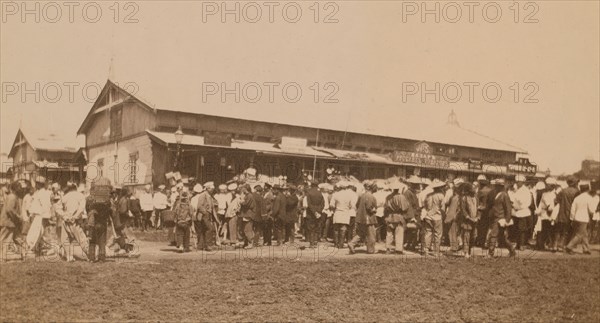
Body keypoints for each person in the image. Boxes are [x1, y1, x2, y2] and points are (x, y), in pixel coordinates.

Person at [59, 182, 89, 261]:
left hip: (67, 220)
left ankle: (69, 256)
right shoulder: (80, 196)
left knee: (65, 239)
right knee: (81, 238)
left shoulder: (66, 196)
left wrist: (64, 215)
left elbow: (58, 207)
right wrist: (75, 216)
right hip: (74, 220)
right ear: (76, 187)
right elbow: (81, 208)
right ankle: (90, 254)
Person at [565, 184, 598, 255]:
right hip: (583, 218)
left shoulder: (577, 198)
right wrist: (594, 213)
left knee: (584, 234)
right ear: (588, 189)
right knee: (579, 235)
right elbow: (591, 210)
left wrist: (572, 218)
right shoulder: (588, 198)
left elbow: (573, 209)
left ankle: (586, 248)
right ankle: (569, 247)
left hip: (576, 218)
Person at [487, 179, 516, 258]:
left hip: (500, 218)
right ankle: (512, 250)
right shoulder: (497, 194)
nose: (495, 187)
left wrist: (507, 220)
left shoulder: (504, 195)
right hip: (496, 217)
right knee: (501, 238)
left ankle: (490, 253)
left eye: (497, 186)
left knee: (493, 235)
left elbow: (508, 209)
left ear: (500, 186)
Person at [86, 177, 113, 262]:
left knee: (92, 240)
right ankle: (101, 257)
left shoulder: (89, 199)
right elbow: (110, 210)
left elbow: (87, 209)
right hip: (103, 221)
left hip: (93, 221)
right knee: (102, 240)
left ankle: (91, 257)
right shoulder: (107, 200)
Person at [384, 181, 413, 255]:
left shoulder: (388, 197)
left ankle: (388, 248)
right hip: (399, 216)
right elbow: (405, 207)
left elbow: (386, 207)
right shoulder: (401, 197)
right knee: (399, 233)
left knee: (389, 233)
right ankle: (398, 249)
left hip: (390, 216)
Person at [26, 176, 53, 255]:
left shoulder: (43, 193)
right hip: (37, 215)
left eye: (37, 183)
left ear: (39, 184)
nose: (35, 185)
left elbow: (46, 205)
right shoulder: (38, 192)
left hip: (40, 216)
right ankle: (36, 248)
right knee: (36, 233)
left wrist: (45, 217)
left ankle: (33, 249)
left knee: (36, 233)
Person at [349, 182, 378, 254]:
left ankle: (352, 243)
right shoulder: (371, 196)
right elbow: (369, 208)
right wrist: (374, 210)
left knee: (361, 233)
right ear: (373, 188)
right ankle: (371, 250)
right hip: (368, 218)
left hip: (360, 218)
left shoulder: (361, 195)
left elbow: (357, 205)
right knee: (371, 234)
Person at [553, 176, 579, 251]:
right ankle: (561, 246)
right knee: (565, 231)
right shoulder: (576, 192)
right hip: (570, 214)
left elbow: (556, 201)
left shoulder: (562, 191)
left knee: (557, 230)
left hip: (560, 213)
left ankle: (555, 245)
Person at [0, 181, 25, 261]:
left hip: (12, 222)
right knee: (4, 239)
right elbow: (9, 210)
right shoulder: (12, 197)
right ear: (15, 188)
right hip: (8, 221)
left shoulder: (14, 196)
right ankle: (2, 257)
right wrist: (18, 217)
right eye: (19, 187)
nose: (21, 189)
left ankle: (23, 254)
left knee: (17, 238)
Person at [422, 180, 446, 256]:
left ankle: (426, 250)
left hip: (428, 216)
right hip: (437, 217)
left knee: (428, 233)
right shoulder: (441, 196)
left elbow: (425, 206)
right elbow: (443, 208)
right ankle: (436, 251)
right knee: (437, 234)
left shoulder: (428, 195)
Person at [535, 177, 559, 251]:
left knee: (546, 230)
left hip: (548, 214)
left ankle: (544, 245)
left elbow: (551, 207)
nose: (547, 186)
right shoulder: (548, 194)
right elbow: (550, 207)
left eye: (548, 185)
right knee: (545, 230)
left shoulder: (548, 194)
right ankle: (542, 245)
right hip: (545, 214)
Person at [511, 174, 533, 250]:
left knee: (522, 229)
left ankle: (522, 245)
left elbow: (526, 202)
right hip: (516, 212)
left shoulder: (525, 191)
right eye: (516, 181)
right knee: (517, 229)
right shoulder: (517, 190)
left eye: (519, 182)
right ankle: (518, 244)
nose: (517, 183)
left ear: (522, 182)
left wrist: (518, 205)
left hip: (523, 212)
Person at [330, 182, 353, 249]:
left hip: (337, 212)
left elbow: (332, 205)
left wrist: (335, 208)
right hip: (345, 213)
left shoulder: (335, 194)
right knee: (343, 229)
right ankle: (341, 244)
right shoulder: (349, 195)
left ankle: (336, 243)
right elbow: (351, 205)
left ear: (339, 187)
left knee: (336, 229)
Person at [194, 182, 217, 251]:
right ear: (207, 188)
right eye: (211, 188)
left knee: (203, 230)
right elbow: (199, 206)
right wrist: (205, 212)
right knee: (210, 229)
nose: (212, 190)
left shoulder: (209, 196)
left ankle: (201, 246)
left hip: (207, 215)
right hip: (204, 215)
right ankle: (208, 245)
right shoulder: (203, 195)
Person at [458, 182, 478, 258]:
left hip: (475, 220)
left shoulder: (476, 198)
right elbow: (463, 210)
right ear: (469, 190)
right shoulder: (464, 198)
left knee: (474, 236)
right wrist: (468, 218)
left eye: (474, 188)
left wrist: (477, 217)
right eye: (472, 188)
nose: (474, 190)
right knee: (466, 236)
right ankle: (466, 252)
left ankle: (469, 250)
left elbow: (478, 208)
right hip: (467, 221)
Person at [305, 180, 325, 248]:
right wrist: (318, 211)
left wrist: (314, 212)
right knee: (317, 227)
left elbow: (309, 204)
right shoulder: (320, 193)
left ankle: (311, 243)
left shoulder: (309, 192)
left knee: (311, 228)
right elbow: (323, 204)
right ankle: (315, 242)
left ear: (312, 185)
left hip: (311, 213)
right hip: (318, 213)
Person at [475, 175, 492, 248]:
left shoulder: (481, 192)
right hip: (489, 211)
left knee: (481, 228)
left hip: (481, 212)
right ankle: (485, 242)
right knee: (487, 228)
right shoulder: (490, 190)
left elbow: (478, 202)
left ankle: (481, 242)